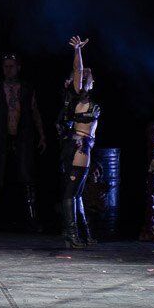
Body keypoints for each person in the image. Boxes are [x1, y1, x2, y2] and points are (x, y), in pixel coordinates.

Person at [0, 53, 46, 232]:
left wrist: (42, 135)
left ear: (18, 67)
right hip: (2, 137)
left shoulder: (27, 88)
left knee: (27, 178)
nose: (8, 70)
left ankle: (33, 221)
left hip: (23, 136)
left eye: (11, 66)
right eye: (5, 66)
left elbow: (35, 113)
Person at [57, 36, 100, 248]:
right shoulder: (77, 98)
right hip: (77, 147)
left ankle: (84, 234)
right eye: (81, 78)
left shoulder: (90, 102)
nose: (83, 80)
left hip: (85, 147)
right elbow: (78, 72)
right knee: (71, 193)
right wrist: (77, 51)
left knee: (78, 193)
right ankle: (71, 236)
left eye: (87, 79)